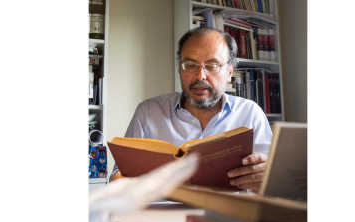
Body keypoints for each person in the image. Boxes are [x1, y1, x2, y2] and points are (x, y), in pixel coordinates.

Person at [111, 26, 273, 194]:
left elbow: (269, 183)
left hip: (228, 216)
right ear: (180, 68)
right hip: (162, 215)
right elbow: (118, 177)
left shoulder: (250, 113)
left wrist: (265, 180)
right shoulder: (148, 112)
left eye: (211, 66)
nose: (200, 76)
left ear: (229, 71)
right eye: (190, 65)